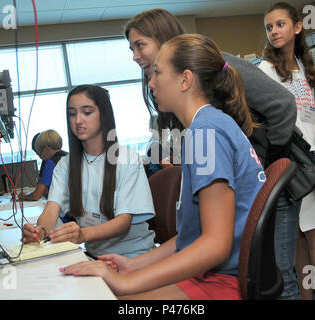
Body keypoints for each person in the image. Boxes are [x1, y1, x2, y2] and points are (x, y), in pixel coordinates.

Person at [60, 34, 265, 300]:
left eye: (157, 72)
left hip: (222, 282)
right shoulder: (209, 126)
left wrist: (127, 283)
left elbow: (215, 245)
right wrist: (135, 265)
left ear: (185, 79)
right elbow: (193, 238)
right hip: (213, 274)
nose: (151, 83)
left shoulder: (206, 132)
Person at [258, 2, 315, 300]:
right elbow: (273, 124)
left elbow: (311, 116)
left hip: (310, 158)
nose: (274, 31)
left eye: (280, 24)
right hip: (292, 162)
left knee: (303, 240)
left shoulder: (303, 67)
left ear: (298, 27)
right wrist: (305, 171)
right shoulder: (267, 70)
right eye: (269, 27)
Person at [124, 8, 298, 168]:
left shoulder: (213, 64)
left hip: (265, 176)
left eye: (140, 45)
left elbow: (283, 104)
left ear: (163, 39)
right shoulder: (170, 88)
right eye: (132, 49)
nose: (135, 57)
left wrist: (273, 167)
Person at [23, 85, 156, 258]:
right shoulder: (65, 166)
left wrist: (83, 234)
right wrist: (39, 231)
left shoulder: (127, 160)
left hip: (134, 257)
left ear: (104, 115)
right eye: (72, 113)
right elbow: (51, 210)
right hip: (93, 258)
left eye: (87, 112)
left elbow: (123, 222)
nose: (78, 120)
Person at [22, 129, 68, 201]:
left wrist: (23, 196)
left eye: (40, 153)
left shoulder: (51, 163)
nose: (41, 157)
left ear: (47, 148)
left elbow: (36, 196)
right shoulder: (69, 156)